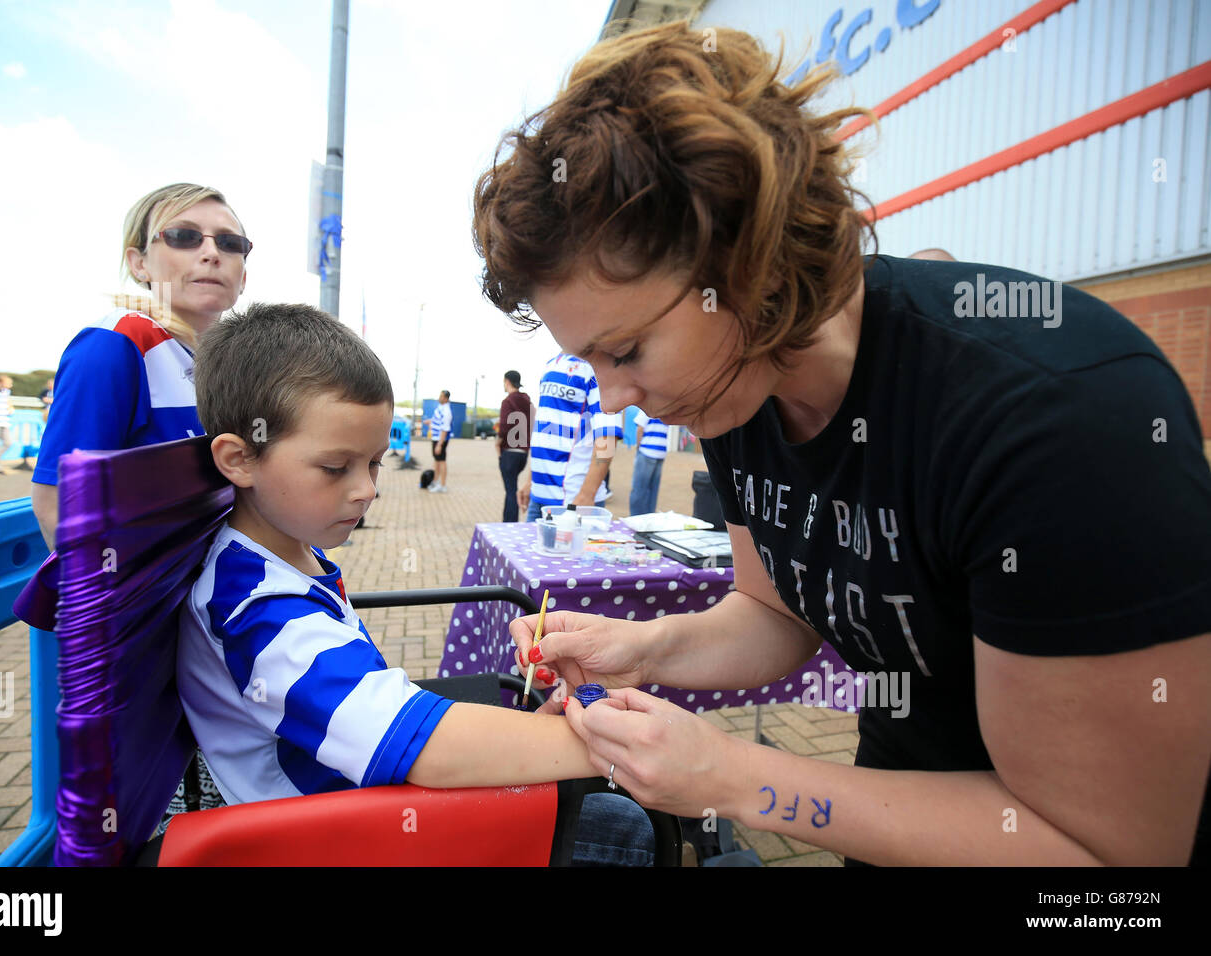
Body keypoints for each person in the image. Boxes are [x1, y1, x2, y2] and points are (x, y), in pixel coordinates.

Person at [473, 22, 1211, 865]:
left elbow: (1105, 852)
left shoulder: (1058, 417)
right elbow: (771, 613)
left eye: (628, 349)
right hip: (898, 810)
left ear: (749, 264)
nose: (616, 396)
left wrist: (731, 777)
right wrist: (642, 649)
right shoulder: (734, 391)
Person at [179, 302, 655, 866]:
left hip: (355, 797)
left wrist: (528, 738)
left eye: (375, 463)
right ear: (239, 458)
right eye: (337, 468)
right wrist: (614, 745)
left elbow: (381, 713)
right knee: (622, 822)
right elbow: (427, 751)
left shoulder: (278, 556)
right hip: (343, 835)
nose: (366, 490)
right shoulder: (258, 610)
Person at [30, 182, 251, 822]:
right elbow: (56, 511)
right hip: (148, 666)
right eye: (184, 237)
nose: (211, 253)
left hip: (213, 656)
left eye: (230, 243)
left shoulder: (220, 370)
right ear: (138, 262)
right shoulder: (113, 351)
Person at [517, 353, 623, 522]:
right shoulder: (551, 364)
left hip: (573, 500)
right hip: (538, 497)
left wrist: (587, 495)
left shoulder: (598, 364)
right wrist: (531, 480)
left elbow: (608, 434)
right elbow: (546, 430)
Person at [497, 369, 531, 521]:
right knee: (512, 488)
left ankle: (509, 524)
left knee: (510, 491)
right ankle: (508, 522)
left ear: (507, 381)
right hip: (522, 453)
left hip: (509, 452)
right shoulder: (527, 401)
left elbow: (504, 426)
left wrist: (498, 443)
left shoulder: (508, 401)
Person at [627, 408, 668, 515]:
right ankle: (649, 518)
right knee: (653, 490)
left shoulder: (647, 407)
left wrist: (638, 447)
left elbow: (640, 428)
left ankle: (635, 518)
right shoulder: (667, 409)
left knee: (639, 488)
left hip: (646, 451)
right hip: (661, 452)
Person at [426, 389, 453, 492]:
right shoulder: (440, 408)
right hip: (436, 438)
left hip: (440, 440)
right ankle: (436, 481)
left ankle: (442, 485)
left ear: (446, 399)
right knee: (437, 461)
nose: (439, 398)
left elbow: (445, 429)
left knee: (441, 461)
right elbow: (437, 420)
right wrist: (430, 422)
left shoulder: (447, 411)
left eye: (441, 396)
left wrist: (440, 444)